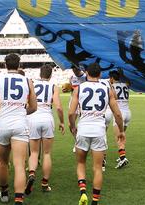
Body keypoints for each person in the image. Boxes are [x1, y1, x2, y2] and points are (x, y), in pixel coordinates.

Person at [69, 62, 125, 205]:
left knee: (81, 163)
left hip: (83, 129)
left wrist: (72, 126)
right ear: (100, 75)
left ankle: (83, 192)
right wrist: (121, 131)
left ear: (86, 73)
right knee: (97, 168)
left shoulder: (79, 88)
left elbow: (71, 112)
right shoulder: (107, 89)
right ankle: (95, 200)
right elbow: (117, 114)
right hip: (99, 130)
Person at [0, 53, 37, 204]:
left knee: (2, 162)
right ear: (19, 65)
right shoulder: (28, 80)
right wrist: (22, 111)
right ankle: (19, 198)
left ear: (5, 65)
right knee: (19, 164)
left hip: (2, 124)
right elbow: (34, 107)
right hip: (20, 124)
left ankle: (4, 192)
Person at [25, 64, 64, 195]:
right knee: (46, 153)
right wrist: (62, 122)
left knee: (34, 152)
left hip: (32, 118)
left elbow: (26, 102)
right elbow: (58, 107)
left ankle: (31, 174)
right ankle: (45, 183)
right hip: (47, 118)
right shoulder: (53, 87)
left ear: (39, 73)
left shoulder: (32, 84)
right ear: (51, 75)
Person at [110, 68, 131, 169]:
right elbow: (129, 82)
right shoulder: (125, 84)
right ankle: (121, 155)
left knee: (118, 137)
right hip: (128, 113)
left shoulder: (111, 86)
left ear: (111, 78)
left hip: (119, 113)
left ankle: (123, 158)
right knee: (123, 135)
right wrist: (123, 74)